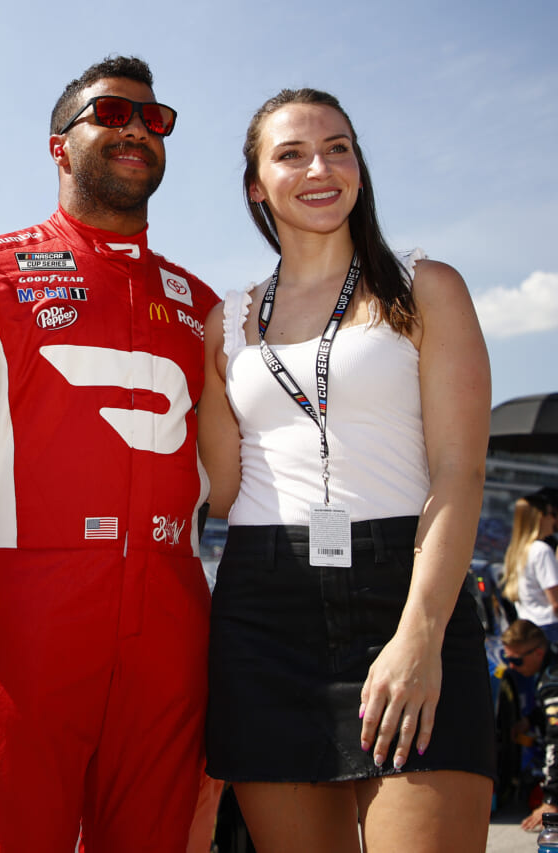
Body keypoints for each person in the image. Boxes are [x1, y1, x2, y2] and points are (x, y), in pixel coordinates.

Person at [0, 55, 218, 851]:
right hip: (27, 625)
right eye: (111, 113)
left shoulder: (205, 308)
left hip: (174, 626)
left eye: (154, 118)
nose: (137, 128)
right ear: (57, 145)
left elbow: (239, 482)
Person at [197, 87, 495, 852]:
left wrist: (419, 636)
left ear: (359, 166)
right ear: (257, 185)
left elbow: (460, 472)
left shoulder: (427, 286)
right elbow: (218, 489)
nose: (320, 166)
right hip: (263, 606)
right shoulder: (224, 322)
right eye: (291, 153)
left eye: (338, 147)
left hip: (408, 588)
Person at [499, 619, 558, 829]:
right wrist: (531, 720)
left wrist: (551, 801)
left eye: (517, 661)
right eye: (507, 659)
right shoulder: (551, 661)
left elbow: (556, 741)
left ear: (538, 653)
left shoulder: (551, 682)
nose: (512, 666)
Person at [502, 492, 558, 643]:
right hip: (550, 628)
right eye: (551, 514)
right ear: (540, 517)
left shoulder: (518, 551)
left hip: (528, 628)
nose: (554, 519)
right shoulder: (542, 550)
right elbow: (555, 601)